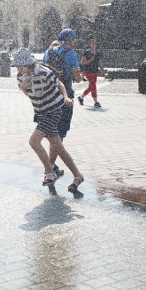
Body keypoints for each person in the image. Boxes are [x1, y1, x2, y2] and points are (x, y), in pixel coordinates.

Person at [12, 47, 85, 192]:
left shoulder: (43, 72)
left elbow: (60, 84)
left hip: (54, 111)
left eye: (21, 66)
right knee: (59, 148)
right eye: (17, 66)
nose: (18, 69)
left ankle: (49, 172)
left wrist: (65, 97)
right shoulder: (20, 77)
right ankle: (78, 175)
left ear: (28, 64)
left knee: (34, 141)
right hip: (41, 113)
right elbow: (30, 93)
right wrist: (23, 88)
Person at [44, 29, 82, 178]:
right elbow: (77, 78)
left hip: (50, 96)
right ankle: (50, 167)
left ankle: (51, 166)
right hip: (65, 97)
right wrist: (79, 77)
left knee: (53, 133)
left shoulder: (49, 52)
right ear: (70, 40)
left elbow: (44, 71)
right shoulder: (71, 54)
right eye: (73, 40)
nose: (74, 42)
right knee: (60, 134)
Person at [78, 37, 105, 108]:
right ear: (90, 44)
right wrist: (90, 60)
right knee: (93, 86)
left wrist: (103, 71)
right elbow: (82, 62)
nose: (94, 44)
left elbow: (99, 62)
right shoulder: (87, 52)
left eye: (95, 43)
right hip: (87, 71)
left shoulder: (98, 53)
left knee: (92, 86)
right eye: (92, 43)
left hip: (95, 71)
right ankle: (96, 102)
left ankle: (81, 97)